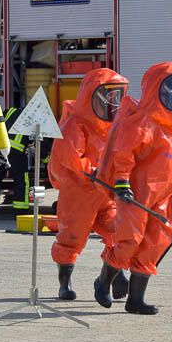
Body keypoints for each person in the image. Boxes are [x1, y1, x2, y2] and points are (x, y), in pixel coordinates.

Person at [93, 62, 172, 315]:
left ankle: (135, 300)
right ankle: (103, 282)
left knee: (155, 243)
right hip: (137, 194)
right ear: (158, 89)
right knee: (128, 241)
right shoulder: (141, 123)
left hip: (164, 196)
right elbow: (123, 155)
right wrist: (122, 182)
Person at [48, 68, 130, 301]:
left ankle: (115, 275)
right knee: (71, 238)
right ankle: (65, 285)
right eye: (109, 96)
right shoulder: (75, 124)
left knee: (118, 232)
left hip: (105, 191)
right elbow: (70, 155)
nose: (113, 103)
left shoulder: (115, 127)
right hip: (79, 191)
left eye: (117, 96)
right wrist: (94, 171)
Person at [0, 107, 53, 219]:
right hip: (16, 153)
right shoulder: (37, 119)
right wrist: (46, 161)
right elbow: (41, 146)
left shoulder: (11, 110)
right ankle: (20, 211)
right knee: (22, 181)